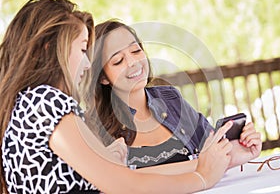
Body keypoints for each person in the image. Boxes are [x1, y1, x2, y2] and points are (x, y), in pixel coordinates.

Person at [0, 0, 242, 194]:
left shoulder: (29, 104)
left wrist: (223, 159)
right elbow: (127, 186)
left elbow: (127, 178)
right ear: (50, 48)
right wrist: (202, 178)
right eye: (83, 49)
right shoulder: (46, 103)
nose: (86, 64)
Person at [91, 19, 262, 169]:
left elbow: (212, 149)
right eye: (118, 61)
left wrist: (241, 146)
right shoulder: (94, 128)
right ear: (103, 77)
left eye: (136, 51)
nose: (133, 62)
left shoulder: (170, 98)